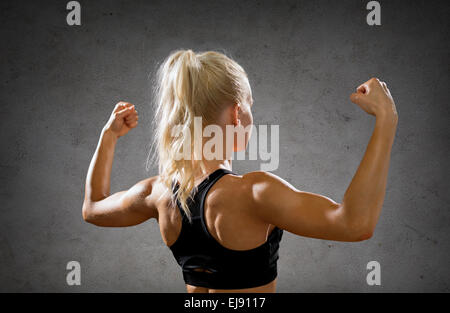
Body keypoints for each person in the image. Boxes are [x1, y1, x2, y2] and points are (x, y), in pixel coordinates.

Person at [81, 49, 398, 293]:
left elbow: (93, 208)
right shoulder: (254, 193)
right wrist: (386, 120)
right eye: (250, 105)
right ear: (236, 112)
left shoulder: (156, 192)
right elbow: (355, 224)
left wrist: (108, 137)